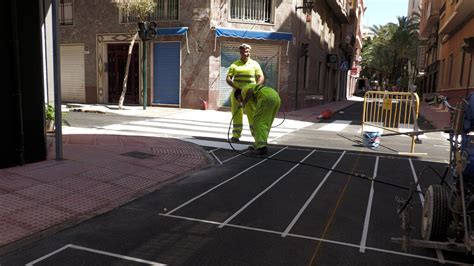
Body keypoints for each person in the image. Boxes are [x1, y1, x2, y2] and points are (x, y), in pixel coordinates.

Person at [226, 43, 265, 143]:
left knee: (252, 115)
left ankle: (256, 136)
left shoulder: (254, 64)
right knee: (236, 114)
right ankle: (236, 135)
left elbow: (261, 77)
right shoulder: (234, 65)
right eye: (243, 52)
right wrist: (236, 88)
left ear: (249, 52)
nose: (246, 53)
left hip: (250, 94)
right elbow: (228, 79)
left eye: (247, 51)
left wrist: (255, 87)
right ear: (240, 52)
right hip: (237, 94)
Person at [234, 84, 281, 156]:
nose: (240, 100)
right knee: (265, 123)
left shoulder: (244, 89)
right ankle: (258, 145)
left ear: (238, 94)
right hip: (275, 97)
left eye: (239, 98)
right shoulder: (252, 93)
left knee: (257, 122)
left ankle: (261, 148)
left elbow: (250, 91)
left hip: (266, 97)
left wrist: (244, 102)